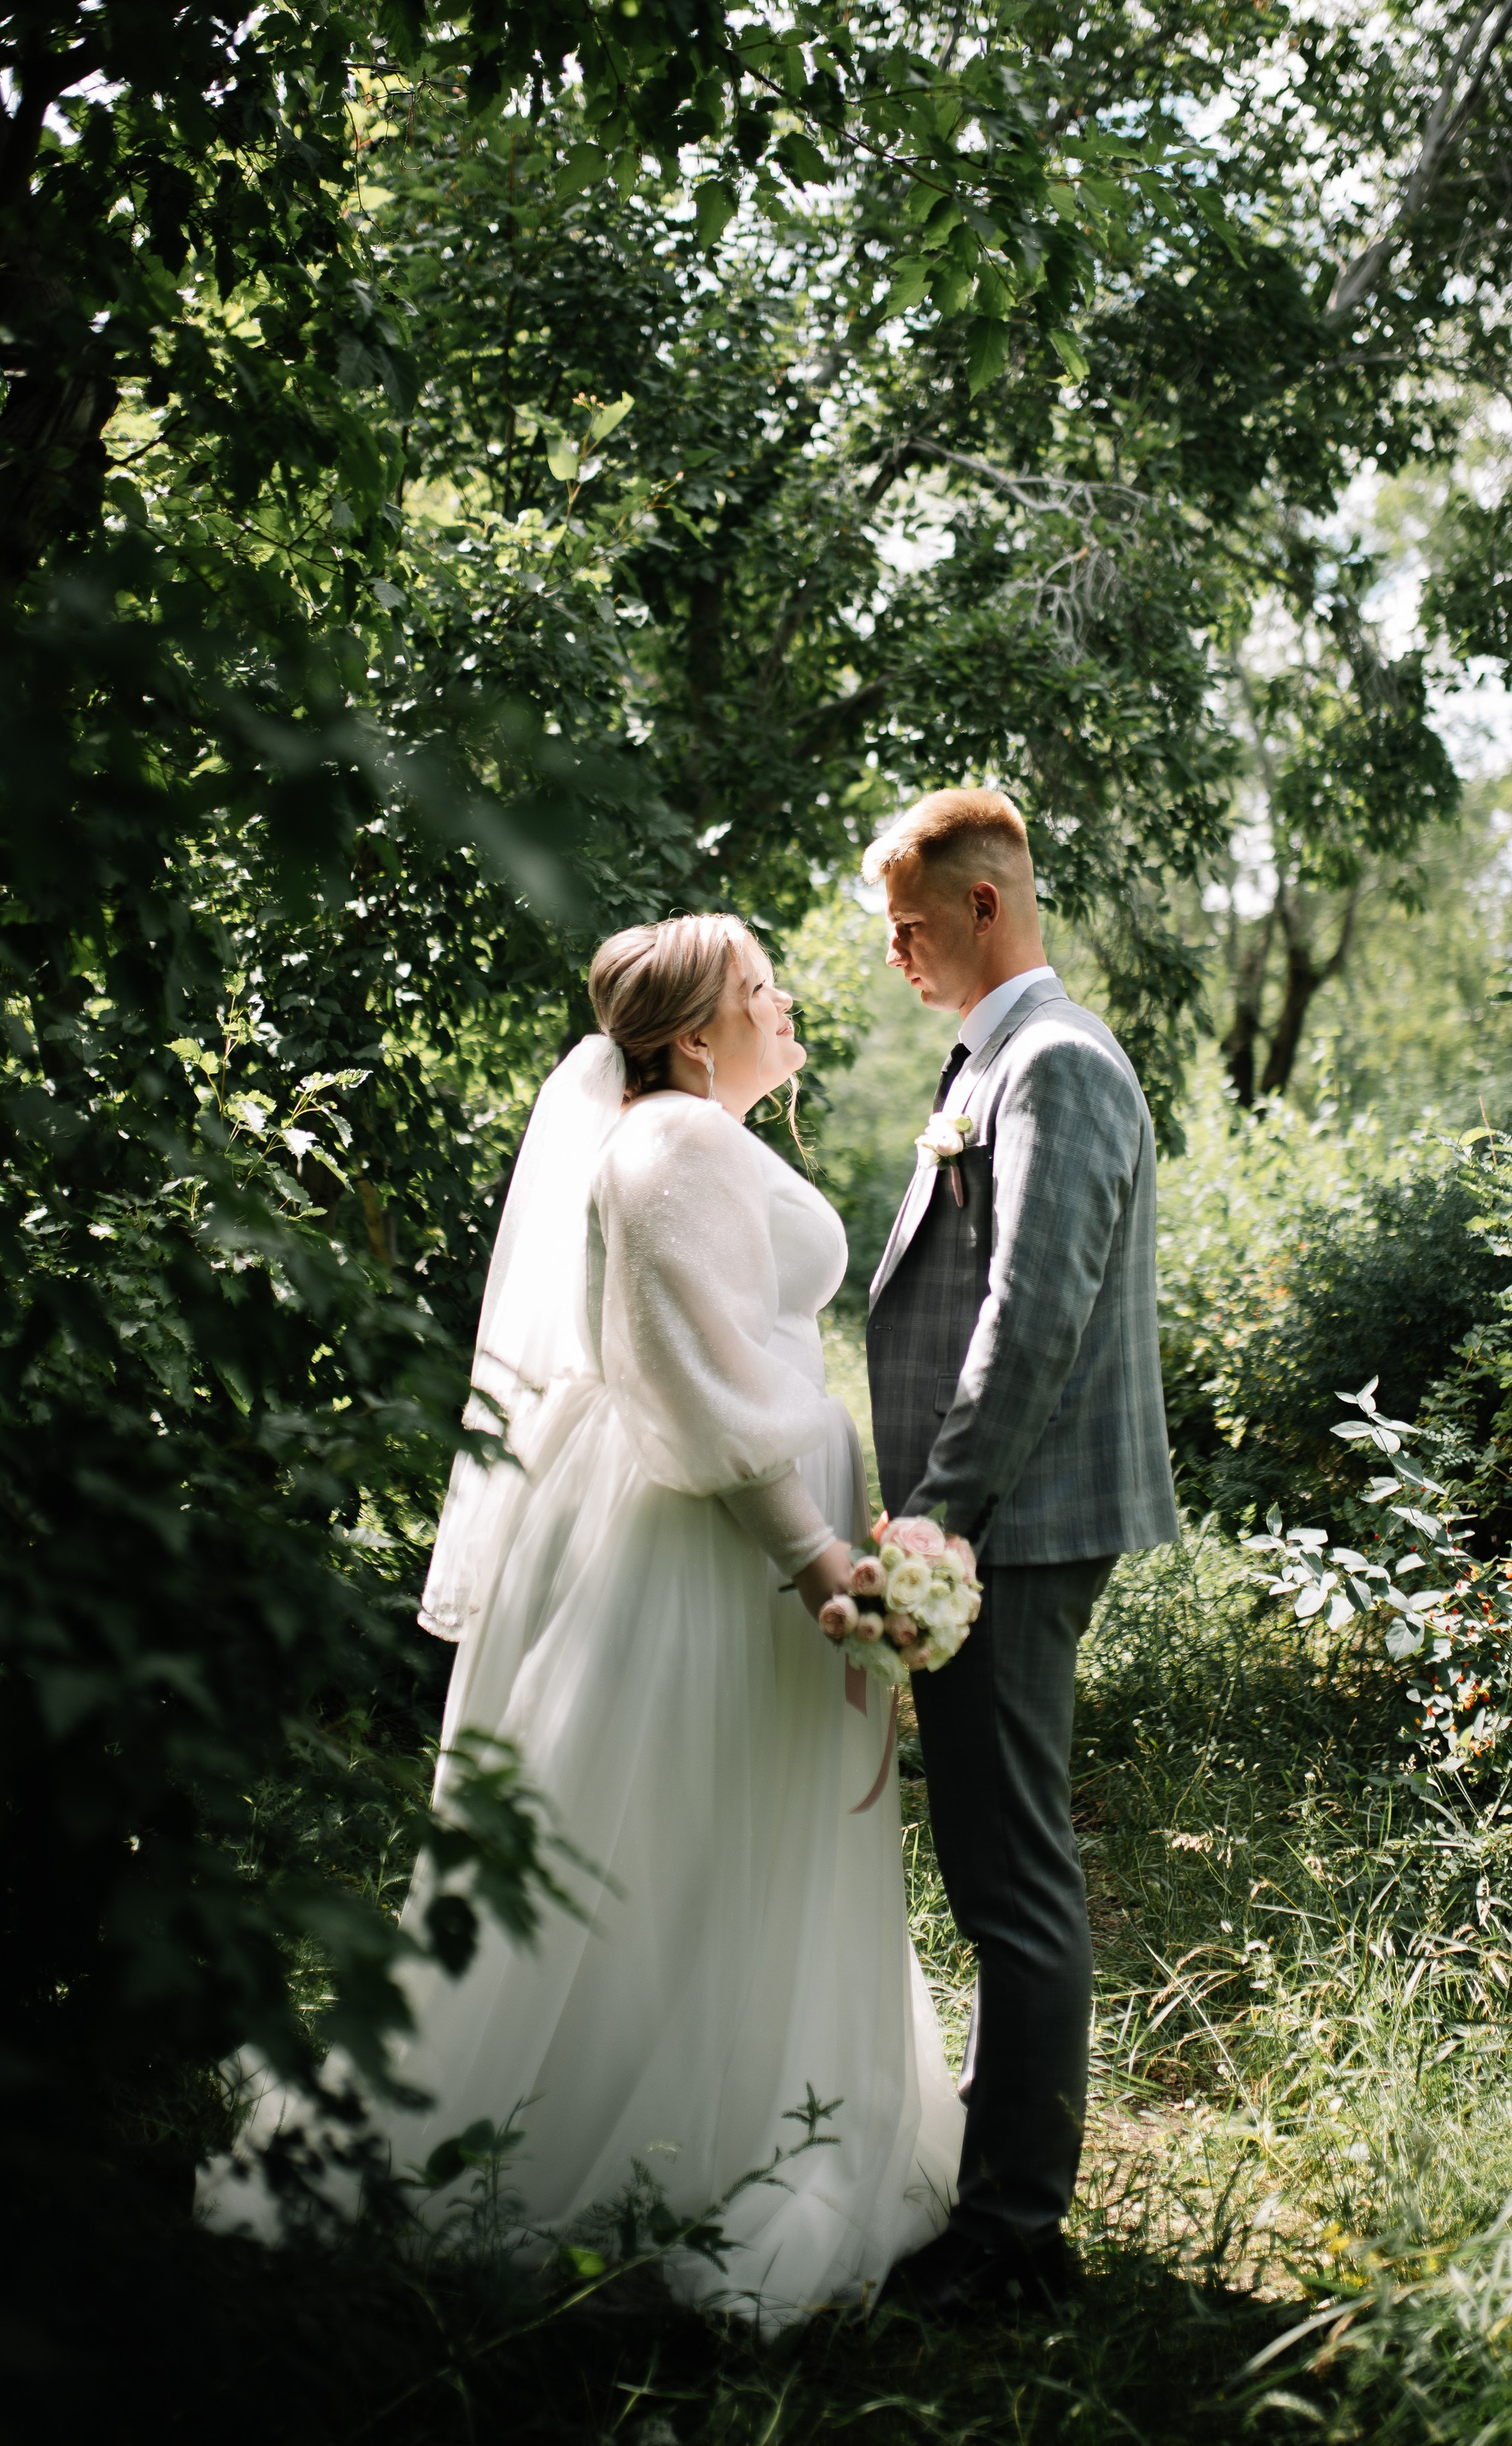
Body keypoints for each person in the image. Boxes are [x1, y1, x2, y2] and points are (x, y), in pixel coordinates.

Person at [199, 914, 963, 2327]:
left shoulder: (698, 1136)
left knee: (690, 1833)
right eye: (757, 987)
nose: (782, 999)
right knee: (667, 1830)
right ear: (689, 1035)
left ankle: (722, 2101)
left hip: (715, 1540)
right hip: (695, 1550)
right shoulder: (667, 1143)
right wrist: (810, 1559)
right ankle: (668, 2135)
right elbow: (685, 1372)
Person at [863, 790, 1179, 2315]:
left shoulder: (1053, 1062)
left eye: (910, 927)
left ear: (983, 909)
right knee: (999, 1869)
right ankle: (1001, 2205)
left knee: (1013, 1883)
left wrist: (940, 1509)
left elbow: (1030, 1313)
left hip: (1013, 1524)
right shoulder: (999, 1058)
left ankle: (1012, 2240)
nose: (896, 955)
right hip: (993, 1521)